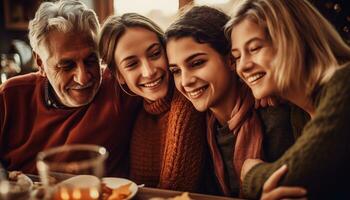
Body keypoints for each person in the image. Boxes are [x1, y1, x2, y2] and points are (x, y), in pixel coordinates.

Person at [165, 5, 307, 197]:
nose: (186, 81)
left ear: (231, 60)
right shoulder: (197, 128)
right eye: (176, 71)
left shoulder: (275, 116)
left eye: (197, 63)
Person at [225, 0, 350, 199]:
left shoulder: (345, 82)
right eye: (237, 56)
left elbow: (291, 178)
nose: (243, 67)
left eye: (255, 48)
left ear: (295, 39)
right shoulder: (298, 114)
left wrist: (251, 172)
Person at [0, 0, 139, 177]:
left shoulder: (121, 85)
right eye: (66, 66)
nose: (83, 78)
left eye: (91, 60)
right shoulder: (10, 96)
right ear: (40, 62)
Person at [98, 13, 208, 192]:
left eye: (155, 54)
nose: (149, 71)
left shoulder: (186, 98)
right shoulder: (138, 111)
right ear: (119, 76)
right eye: (132, 64)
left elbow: (174, 191)